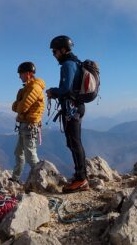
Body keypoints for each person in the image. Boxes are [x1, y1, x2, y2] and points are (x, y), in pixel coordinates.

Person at [46, 35, 89, 192]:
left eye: (55, 51)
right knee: (73, 142)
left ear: (63, 50)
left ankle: (81, 179)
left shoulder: (68, 65)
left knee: (74, 142)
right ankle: (80, 176)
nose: (54, 55)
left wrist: (52, 92)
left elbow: (66, 89)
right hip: (76, 107)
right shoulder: (75, 63)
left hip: (72, 108)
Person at [11, 61, 45, 183]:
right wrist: (18, 103)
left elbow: (20, 108)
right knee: (19, 153)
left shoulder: (34, 88)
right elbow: (15, 107)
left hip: (30, 126)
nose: (19, 76)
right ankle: (15, 179)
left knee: (30, 156)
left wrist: (18, 103)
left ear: (28, 74)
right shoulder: (27, 88)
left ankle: (41, 180)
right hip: (24, 125)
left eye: (21, 74)